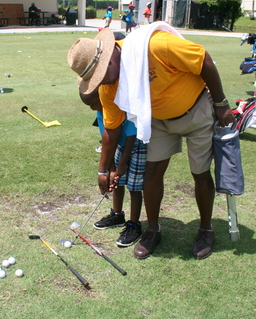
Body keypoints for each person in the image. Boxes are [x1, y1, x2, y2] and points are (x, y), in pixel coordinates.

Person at [67, 25, 235, 260]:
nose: (103, 80)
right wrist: (103, 169)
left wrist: (221, 103)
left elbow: (203, 60)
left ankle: (206, 229)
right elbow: (112, 130)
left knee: (200, 172)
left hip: (196, 108)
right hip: (157, 119)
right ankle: (153, 230)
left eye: (104, 71)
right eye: (97, 79)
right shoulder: (108, 86)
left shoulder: (155, 45)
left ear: (112, 52)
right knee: (152, 171)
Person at [81, 87, 146, 247]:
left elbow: (131, 134)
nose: (91, 107)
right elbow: (106, 139)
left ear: (102, 96)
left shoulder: (120, 107)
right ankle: (118, 215)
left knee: (134, 186)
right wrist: (110, 166)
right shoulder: (100, 113)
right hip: (119, 145)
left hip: (137, 145)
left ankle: (134, 225)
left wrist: (122, 163)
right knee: (117, 182)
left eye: (92, 103)